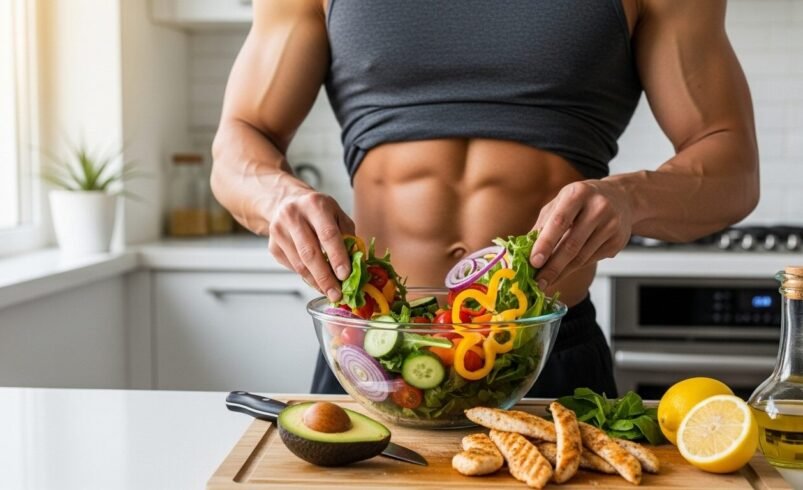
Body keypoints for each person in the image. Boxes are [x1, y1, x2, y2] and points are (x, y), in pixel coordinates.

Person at [211, 0, 759, 398]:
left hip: (543, 353)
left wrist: (631, 199)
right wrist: (278, 198)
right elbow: (241, 136)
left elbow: (732, 166)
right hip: (371, 348)